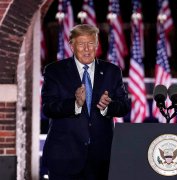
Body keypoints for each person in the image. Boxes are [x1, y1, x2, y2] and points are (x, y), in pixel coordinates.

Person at [41, 24, 130, 180]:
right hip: (64, 157)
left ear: (97, 45)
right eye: (81, 44)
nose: (87, 49)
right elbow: (48, 108)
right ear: (72, 45)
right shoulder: (54, 71)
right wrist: (75, 104)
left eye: (91, 43)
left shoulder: (112, 71)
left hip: (101, 159)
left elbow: (124, 106)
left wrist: (107, 107)